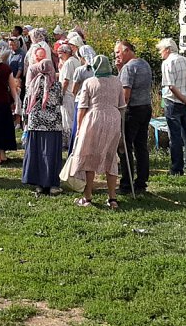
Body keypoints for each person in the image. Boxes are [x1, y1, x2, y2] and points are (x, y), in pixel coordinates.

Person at [68, 55, 125, 209]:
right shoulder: (117, 81)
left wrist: (79, 128)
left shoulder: (89, 82)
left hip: (94, 118)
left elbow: (82, 107)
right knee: (110, 156)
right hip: (113, 118)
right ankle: (112, 198)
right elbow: (121, 105)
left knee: (89, 156)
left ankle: (87, 197)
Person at [114, 40, 154, 194]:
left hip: (132, 110)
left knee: (124, 146)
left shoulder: (129, 68)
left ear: (126, 50)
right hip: (145, 107)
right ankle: (141, 183)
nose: (116, 55)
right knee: (141, 146)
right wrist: (120, 70)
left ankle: (126, 184)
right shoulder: (144, 64)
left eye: (118, 52)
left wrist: (119, 112)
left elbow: (125, 94)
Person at [21, 57, 65, 195]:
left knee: (37, 154)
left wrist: (25, 121)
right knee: (51, 155)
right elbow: (60, 101)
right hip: (53, 125)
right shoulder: (56, 85)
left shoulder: (33, 83)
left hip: (36, 124)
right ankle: (52, 184)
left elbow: (26, 103)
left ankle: (39, 184)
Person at [157, 38, 186, 175]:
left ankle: (176, 168)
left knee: (174, 136)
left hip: (173, 102)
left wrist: (184, 99)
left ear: (167, 49)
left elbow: (171, 86)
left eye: (161, 50)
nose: (160, 53)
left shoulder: (167, 63)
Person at [57, 43, 81, 148]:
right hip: (74, 93)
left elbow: (65, 81)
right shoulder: (76, 61)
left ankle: (67, 142)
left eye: (60, 53)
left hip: (67, 94)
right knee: (72, 117)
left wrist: (61, 94)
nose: (59, 56)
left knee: (67, 118)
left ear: (66, 53)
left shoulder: (68, 63)